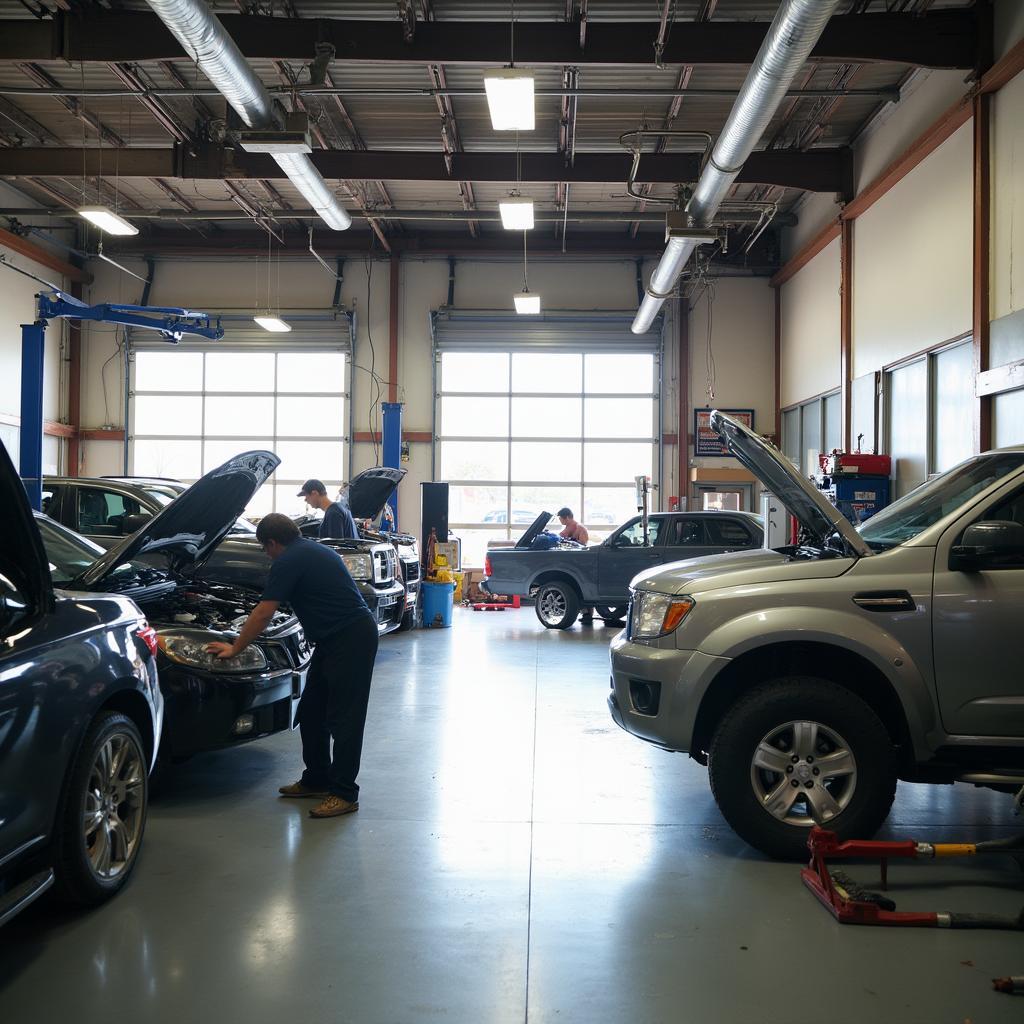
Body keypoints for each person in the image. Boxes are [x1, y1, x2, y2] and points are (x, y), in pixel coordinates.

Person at [205, 514, 378, 819]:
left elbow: (263, 613)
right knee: (311, 711)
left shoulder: (290, 559)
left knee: (344, 718)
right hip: (334, 639)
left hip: (350, 639)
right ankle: (317, 779)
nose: (266, 555)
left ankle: (344, 794)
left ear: (272, 542)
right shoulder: (311, 549)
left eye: (265, 549)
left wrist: (236, 647)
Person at [556, 507, 593, 623]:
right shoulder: (569, 527)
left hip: (579, 563)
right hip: (571, 563)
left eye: (561, 519)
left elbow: (582, 545)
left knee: (579, 589)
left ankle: (587, 614)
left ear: (567, 517)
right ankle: (585, 613)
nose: (560, 521)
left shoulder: (578, 528)